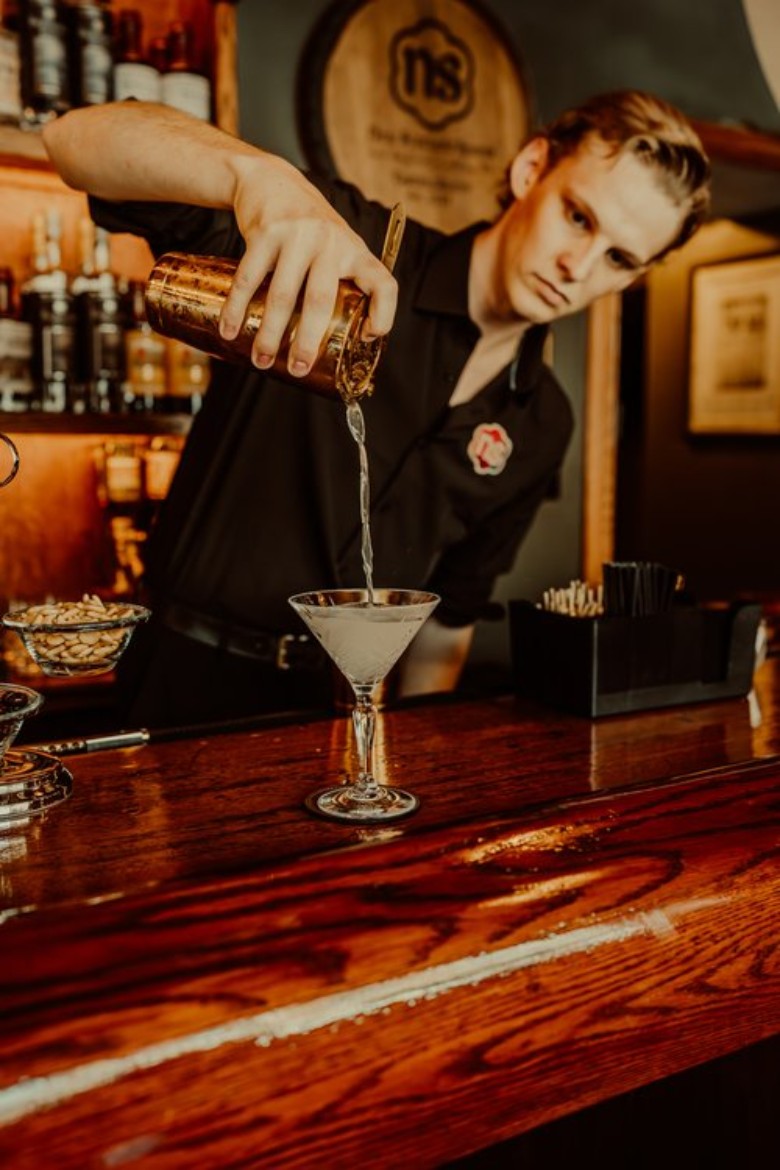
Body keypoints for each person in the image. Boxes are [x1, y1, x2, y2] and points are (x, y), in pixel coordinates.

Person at [42, 89, 711, 729]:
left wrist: (416, 752)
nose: (578, 265)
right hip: (180, 680)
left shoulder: (543, 421)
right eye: (578, 216)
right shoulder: (341, 245)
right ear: (533, 167)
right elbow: (73, 141)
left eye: (618, 257)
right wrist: (258, 179)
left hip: (339, 709)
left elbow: (448, 622)